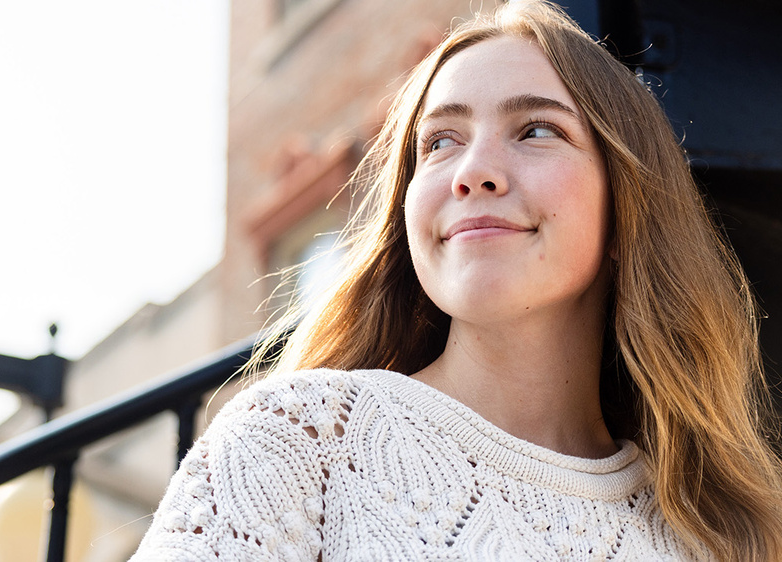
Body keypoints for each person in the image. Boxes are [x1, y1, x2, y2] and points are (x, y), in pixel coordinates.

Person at [130, 1, 782, 560]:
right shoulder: (298, 440)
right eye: (440, 141)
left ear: (625, 207)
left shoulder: (712, 534)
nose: (473, 171)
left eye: (535, 129)